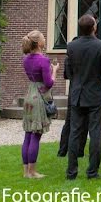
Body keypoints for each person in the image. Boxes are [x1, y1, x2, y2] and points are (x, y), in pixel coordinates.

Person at [64, 14, 101, 180]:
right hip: (94, 96)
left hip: (77, 94)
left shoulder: (71, 46)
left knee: (75, 133)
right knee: (95, 133)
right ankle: (92, 172)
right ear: (94, 28)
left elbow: (68, 72)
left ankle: (71, 172)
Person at [21, 30, 59, 178]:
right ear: (39, 43)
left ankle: (26, 172)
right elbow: (48, 83)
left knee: (28, 134)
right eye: (43, 38)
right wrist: (54, 71)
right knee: (36, 135)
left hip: (29, 94)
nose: (45, 39)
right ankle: (32, 171)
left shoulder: (26, 59)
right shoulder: (43, 60)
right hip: (39, 97)